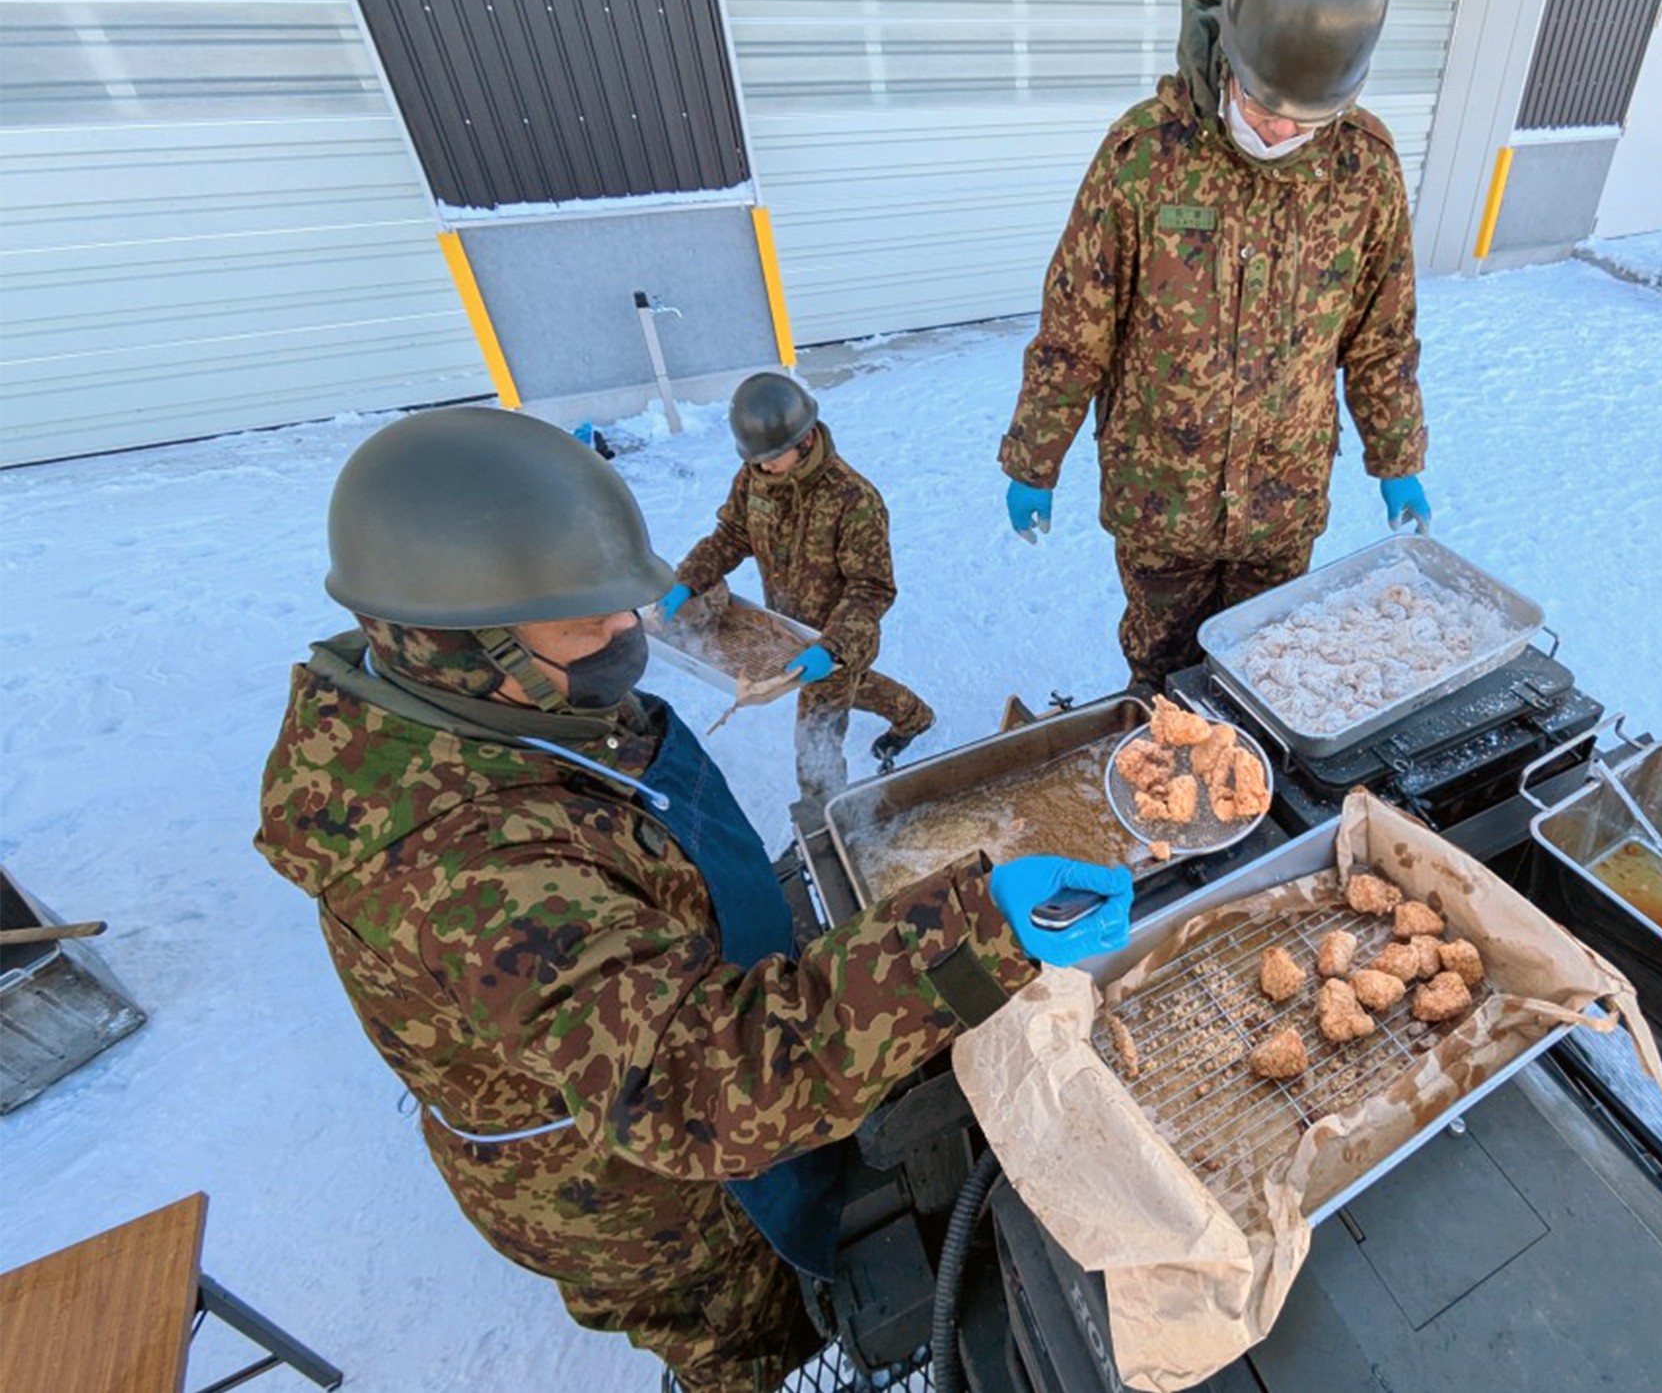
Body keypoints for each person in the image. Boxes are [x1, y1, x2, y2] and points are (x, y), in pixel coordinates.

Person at [254, 406, 1132, 1393]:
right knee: (756, 1334)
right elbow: (701, 1084)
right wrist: (977, 932)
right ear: (461, 639)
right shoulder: (460, 869)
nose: (625, 632)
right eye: (585, 621)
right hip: (641, 1189)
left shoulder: (501, 702)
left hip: (677, 1011)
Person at [997, 0, 1432, 695]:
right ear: (1230, 49)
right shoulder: (1143, 156)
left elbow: (1381, 332)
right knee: (1163, 677)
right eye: (1264, 108)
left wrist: (1396, 456)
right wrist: (1035, 457)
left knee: (1269, 674)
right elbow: (1075, 329)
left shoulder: (1364, 168)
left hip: (1283, 497)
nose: (1275, 134)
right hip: (1161, 495)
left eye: (1303, 121)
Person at [656, 371, 932, 801]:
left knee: (814, 744)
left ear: (804, 440)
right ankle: (915, 716)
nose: (763, 465)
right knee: (852, 687)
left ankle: (822, 826)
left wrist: (833, 648)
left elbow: (871, 589)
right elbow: (732, 534)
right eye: (756, 457)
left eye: (772, 456)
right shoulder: (754, 477)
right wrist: (688, 581)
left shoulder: (854, 500)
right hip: (785, 632)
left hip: (837, 641)